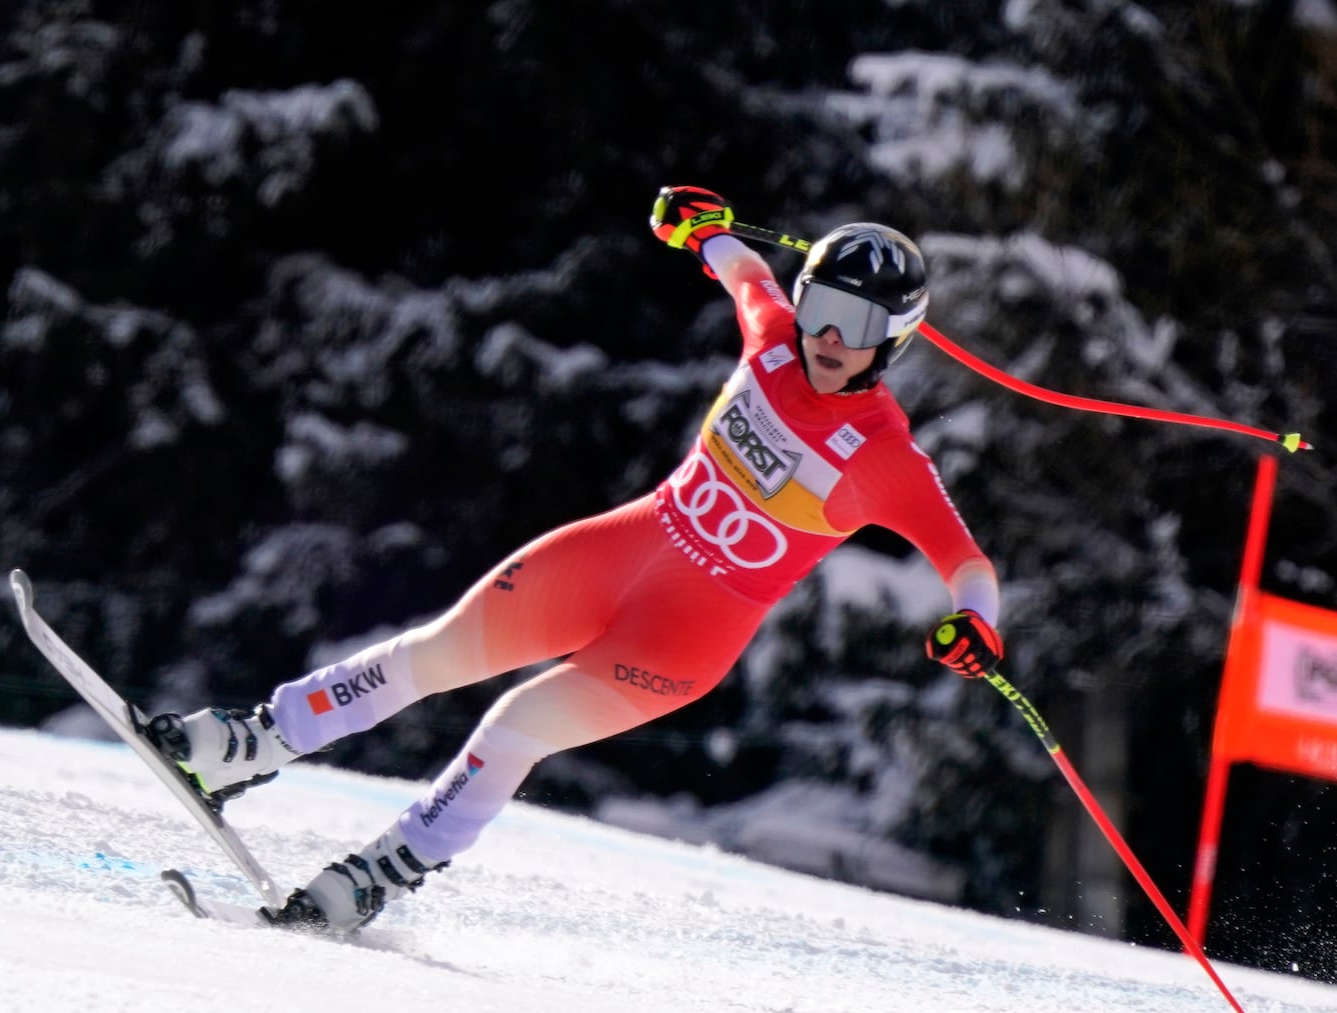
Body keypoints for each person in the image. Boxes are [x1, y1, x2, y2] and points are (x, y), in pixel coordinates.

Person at [147, 186, 1006, 933]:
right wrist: (697, 228)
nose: (828, 335)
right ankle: (253, 741)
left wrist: (977, 624)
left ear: (895, 339)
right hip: (618, 551)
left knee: (514, 727)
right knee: (436, 651)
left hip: (680, 639)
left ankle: (380, 873)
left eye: (857, 325)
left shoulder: (884, 453)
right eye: (821, 305)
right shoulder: (777, 339)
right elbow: (746, 271)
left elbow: (969, 563)